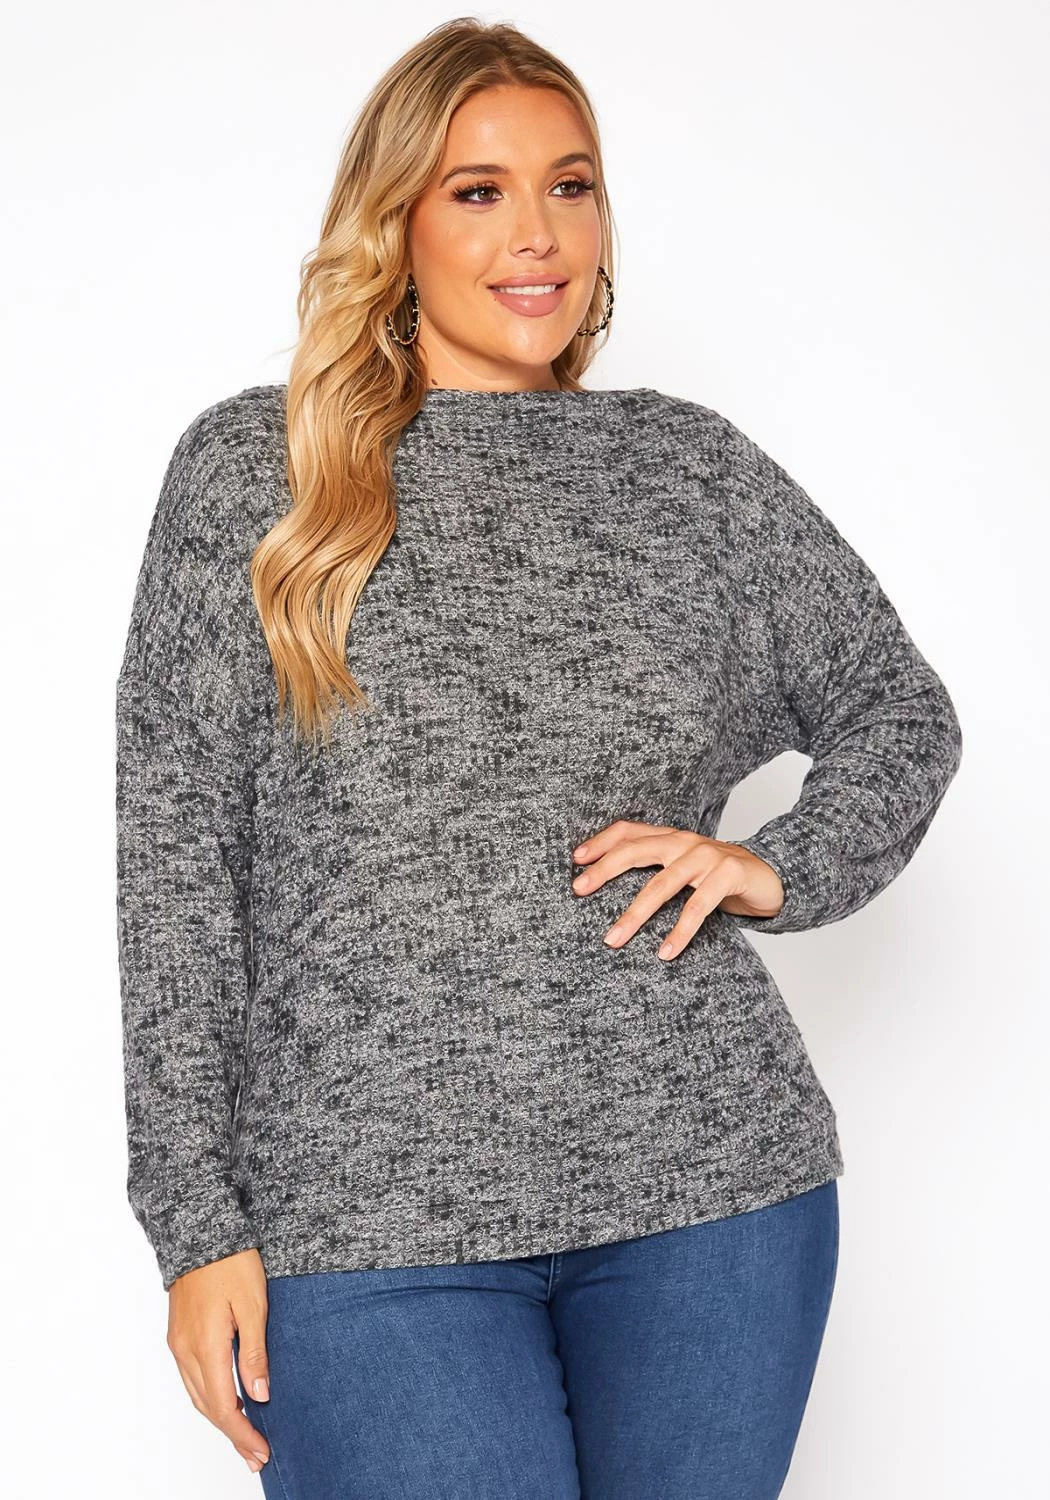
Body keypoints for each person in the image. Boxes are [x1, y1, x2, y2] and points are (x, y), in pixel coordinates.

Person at [114, 18, 963, 1500]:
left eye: (571, 186)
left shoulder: (688, 470)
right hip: (362, 1228)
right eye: (479, 191)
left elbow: (899, 708)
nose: (539, 235)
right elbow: (179, 862)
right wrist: (195, 1229)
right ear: (394, 225)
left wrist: (772, 868)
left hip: (710, 1194)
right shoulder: (260, 473)